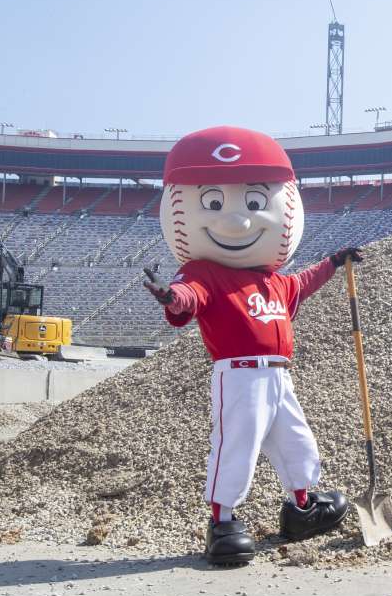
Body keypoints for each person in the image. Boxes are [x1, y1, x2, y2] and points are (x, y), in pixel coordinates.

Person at [144, 126, 362, 566]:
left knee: (297, 440)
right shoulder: (205, 272)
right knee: (236, 444)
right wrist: (171, 296)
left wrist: (334, 263)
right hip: (238, 372)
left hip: (279, 373)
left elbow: (304, 281)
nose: (238, 221)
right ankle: (221, 520)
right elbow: (188, 299)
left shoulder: (276, 281)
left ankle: (301, 508)